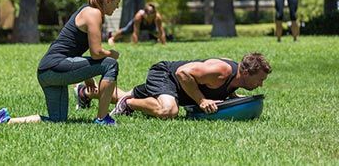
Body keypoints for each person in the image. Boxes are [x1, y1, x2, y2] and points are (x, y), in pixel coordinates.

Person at [0, 0, 123, 126]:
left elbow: (73, 49)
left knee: (57, 120)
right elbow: (96, 53)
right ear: (108, 0)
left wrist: (88, 77)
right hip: (56, 67)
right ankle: (102, 118)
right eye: (116, 3)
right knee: (110, 64)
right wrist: (111, 53)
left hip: (46, 72)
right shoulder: (94, 13)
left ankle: (5, 120)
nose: (117, 7)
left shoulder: (86, 10)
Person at [106, 53, 271, 119]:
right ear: (247, 73)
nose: (261, 84)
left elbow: (221, 87)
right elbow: (182, 73)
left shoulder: (236, 79)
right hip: (166, 75)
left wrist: (232, 96)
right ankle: (128, 104)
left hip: (181, 88)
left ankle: (84, 92)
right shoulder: (221, 71)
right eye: (260, 79)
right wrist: (201, 101)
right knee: (169, 111)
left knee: (121, 94)